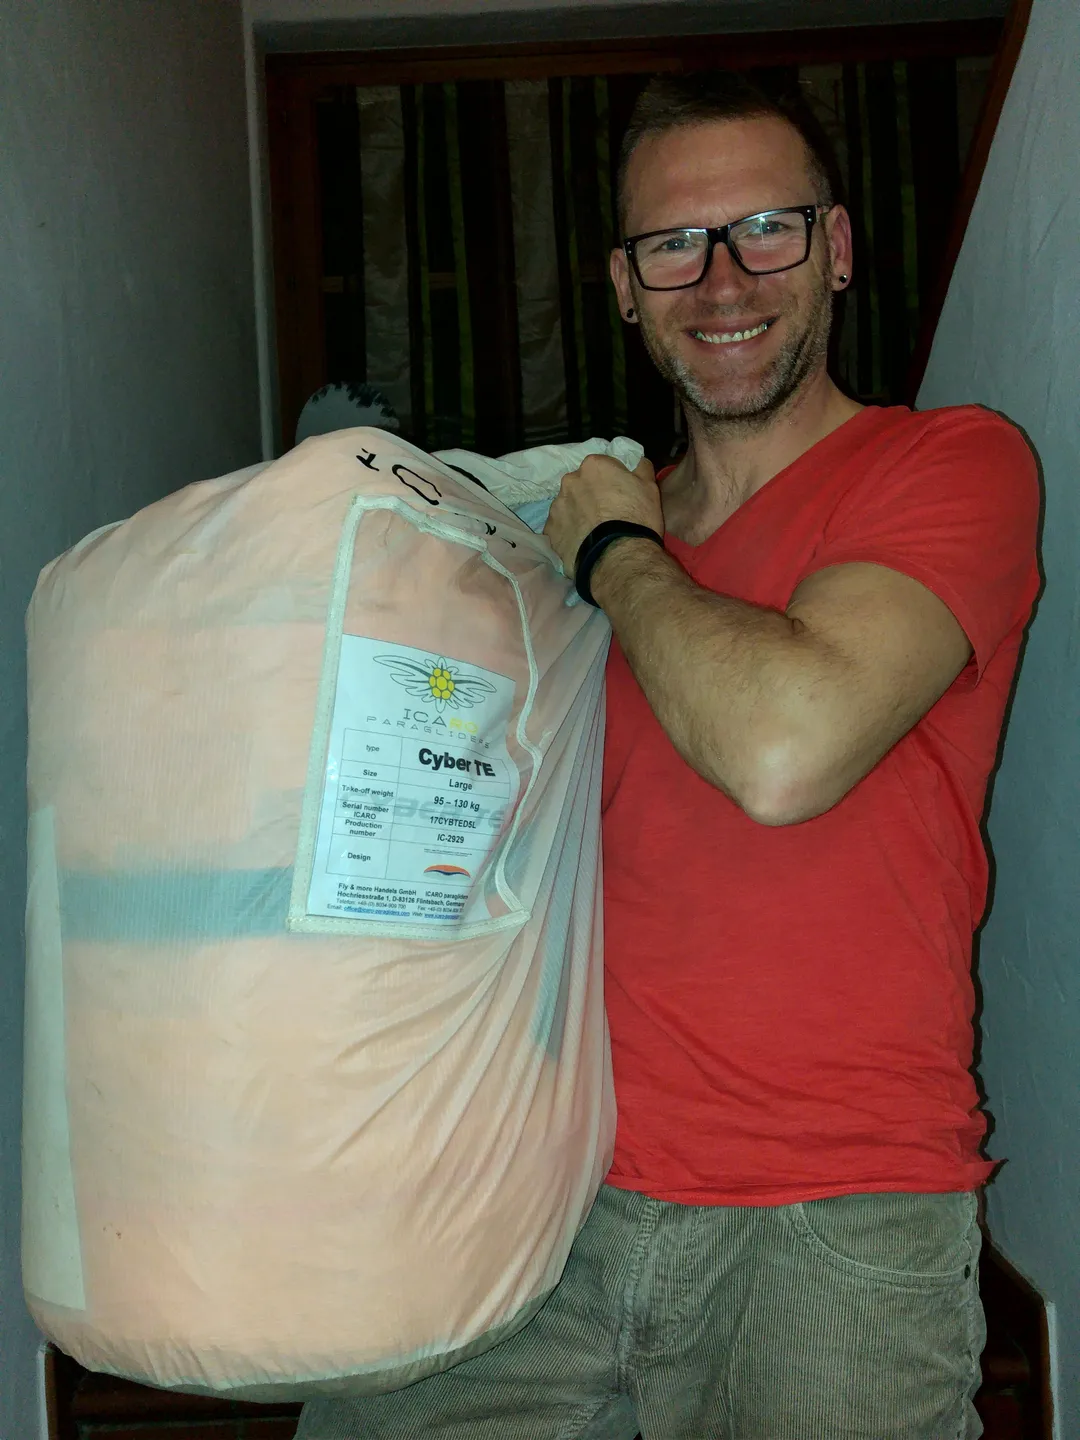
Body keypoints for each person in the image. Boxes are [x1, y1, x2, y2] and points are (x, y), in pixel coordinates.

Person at [296, 70, 1039, 1440]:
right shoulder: (557, 538)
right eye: (674, 245)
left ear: (837, 247)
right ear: (624, 289)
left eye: (766, 228)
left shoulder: (948, 467)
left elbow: (783, 749)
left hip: (830, 1219)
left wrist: (619, 556)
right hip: (534, 1193)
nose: (722, 279)